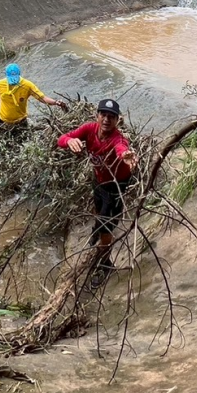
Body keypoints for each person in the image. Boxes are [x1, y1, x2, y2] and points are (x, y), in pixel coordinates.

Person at [56, 98, 137, 284]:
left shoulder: (118, 138)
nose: (107, 119)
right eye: (104, 115)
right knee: (98, 209)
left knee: (107, 225)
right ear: (97, 116)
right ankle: (97, 229)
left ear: (117, 120)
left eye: (112, 117)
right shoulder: (89, 129)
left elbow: (121, 148)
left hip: (117, 185)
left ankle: (105, 264)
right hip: (99, 180)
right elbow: (61, 139)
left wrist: (125, 155)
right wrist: (70, 141)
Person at [0, 63, 66, 138]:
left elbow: (42, 98)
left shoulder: (27, 85)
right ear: (6, 76)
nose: (13, 82)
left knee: (21, 142)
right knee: (4, 143)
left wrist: (55, 102)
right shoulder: (0, 84)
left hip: (20, 121)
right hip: (2, 120)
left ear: (19, 75)